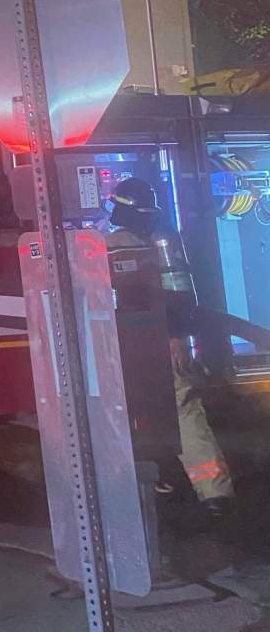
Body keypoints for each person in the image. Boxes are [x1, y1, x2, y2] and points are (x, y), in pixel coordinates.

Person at [106, 177, 235, 517]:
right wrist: (178, 337)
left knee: (137, 415)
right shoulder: (163, 241)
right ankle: (212, 492)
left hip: (129, 349)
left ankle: (152, 482)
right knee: (184, 412)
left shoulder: (108, 246)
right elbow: (181, 297)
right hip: (165, 344)